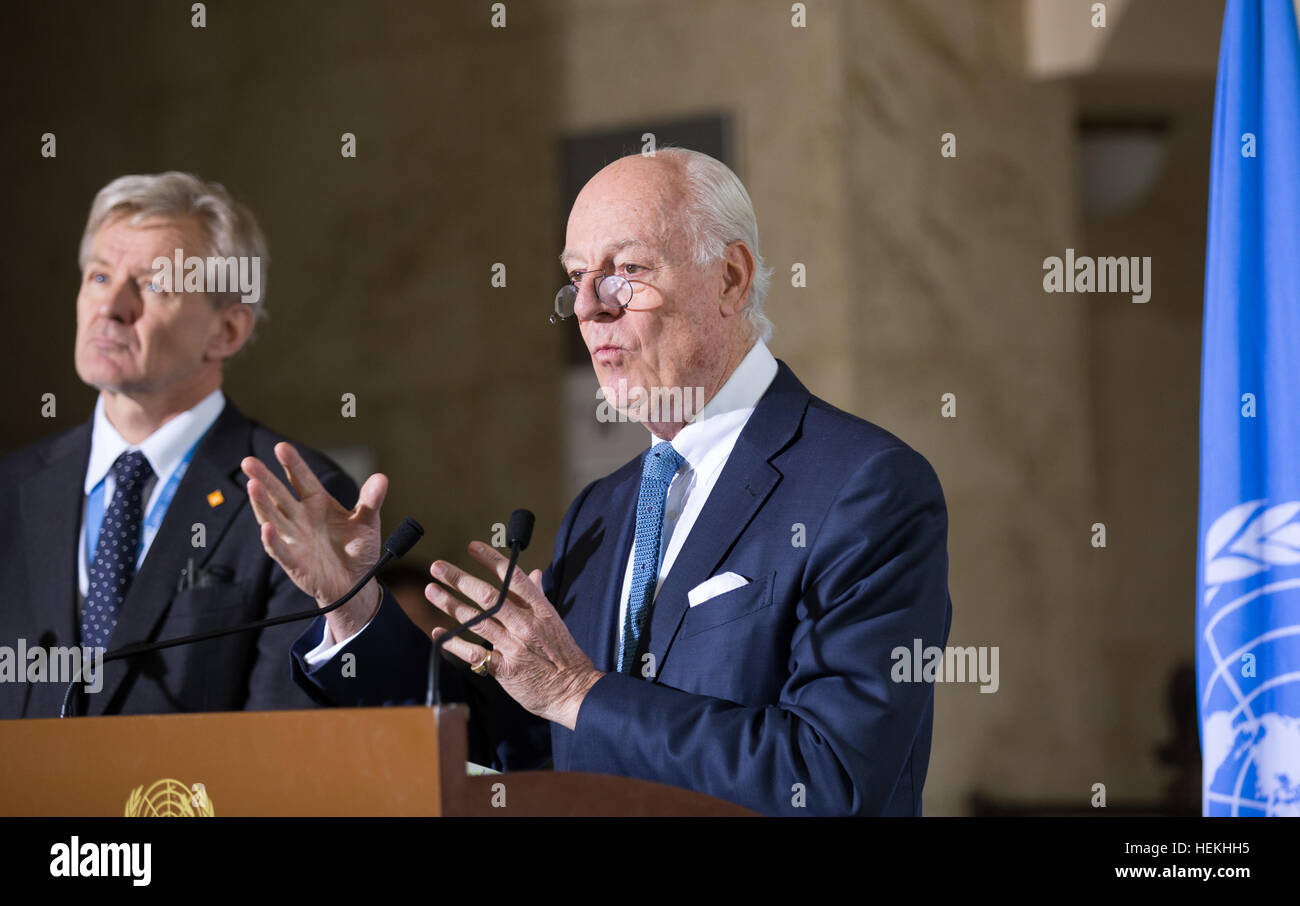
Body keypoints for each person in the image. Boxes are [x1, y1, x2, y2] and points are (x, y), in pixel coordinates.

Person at [249, 149, 952, 815]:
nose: (589, 308)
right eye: (577, 277)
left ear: (731, 279)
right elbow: (520, 742)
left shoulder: (865, 486)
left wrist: (580, 690)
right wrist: (353, 608)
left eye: (628, 271)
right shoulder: (605, 507)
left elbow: (829, 777)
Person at [0, 172, 357, 718]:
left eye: (154, 284)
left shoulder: (297, 495)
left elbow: (284, 750)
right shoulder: (13, 489)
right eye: (98, 276)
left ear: (227, 333)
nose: (112, 306)